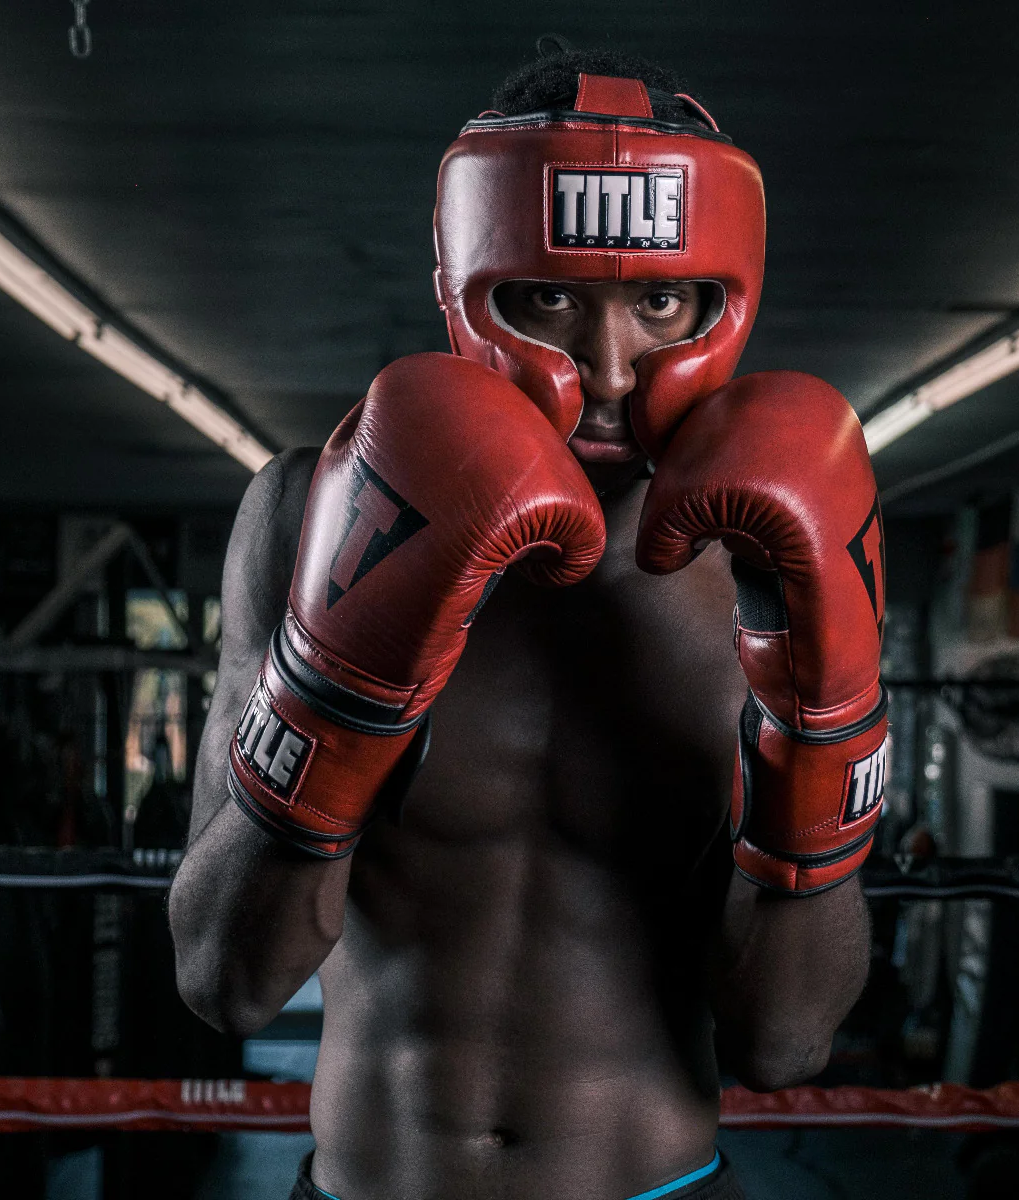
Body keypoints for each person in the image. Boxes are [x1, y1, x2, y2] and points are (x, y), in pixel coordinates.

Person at [170, 43, 888, 1200]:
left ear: (723, 299)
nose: (607, 369)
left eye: (659, 302)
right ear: (464, 285)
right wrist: (334, 690)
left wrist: (825, 724)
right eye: (550, 298)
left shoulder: (774, 557)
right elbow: (225, 981)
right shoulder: (309, 517)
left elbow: (785, 1041)